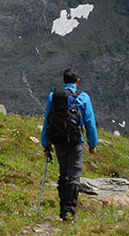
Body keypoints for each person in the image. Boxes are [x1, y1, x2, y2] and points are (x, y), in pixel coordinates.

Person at [41, 67, 98, 221]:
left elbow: (47, 120)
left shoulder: (53, 96)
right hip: (76, 142)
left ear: (64, 80)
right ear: (77, 81)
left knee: (63, 174)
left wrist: (46, 144)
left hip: (59, 142)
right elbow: (90, 124)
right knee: (74, 176)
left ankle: (62, 209)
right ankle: (69, 212)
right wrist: (92, 144)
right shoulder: (83, 97)